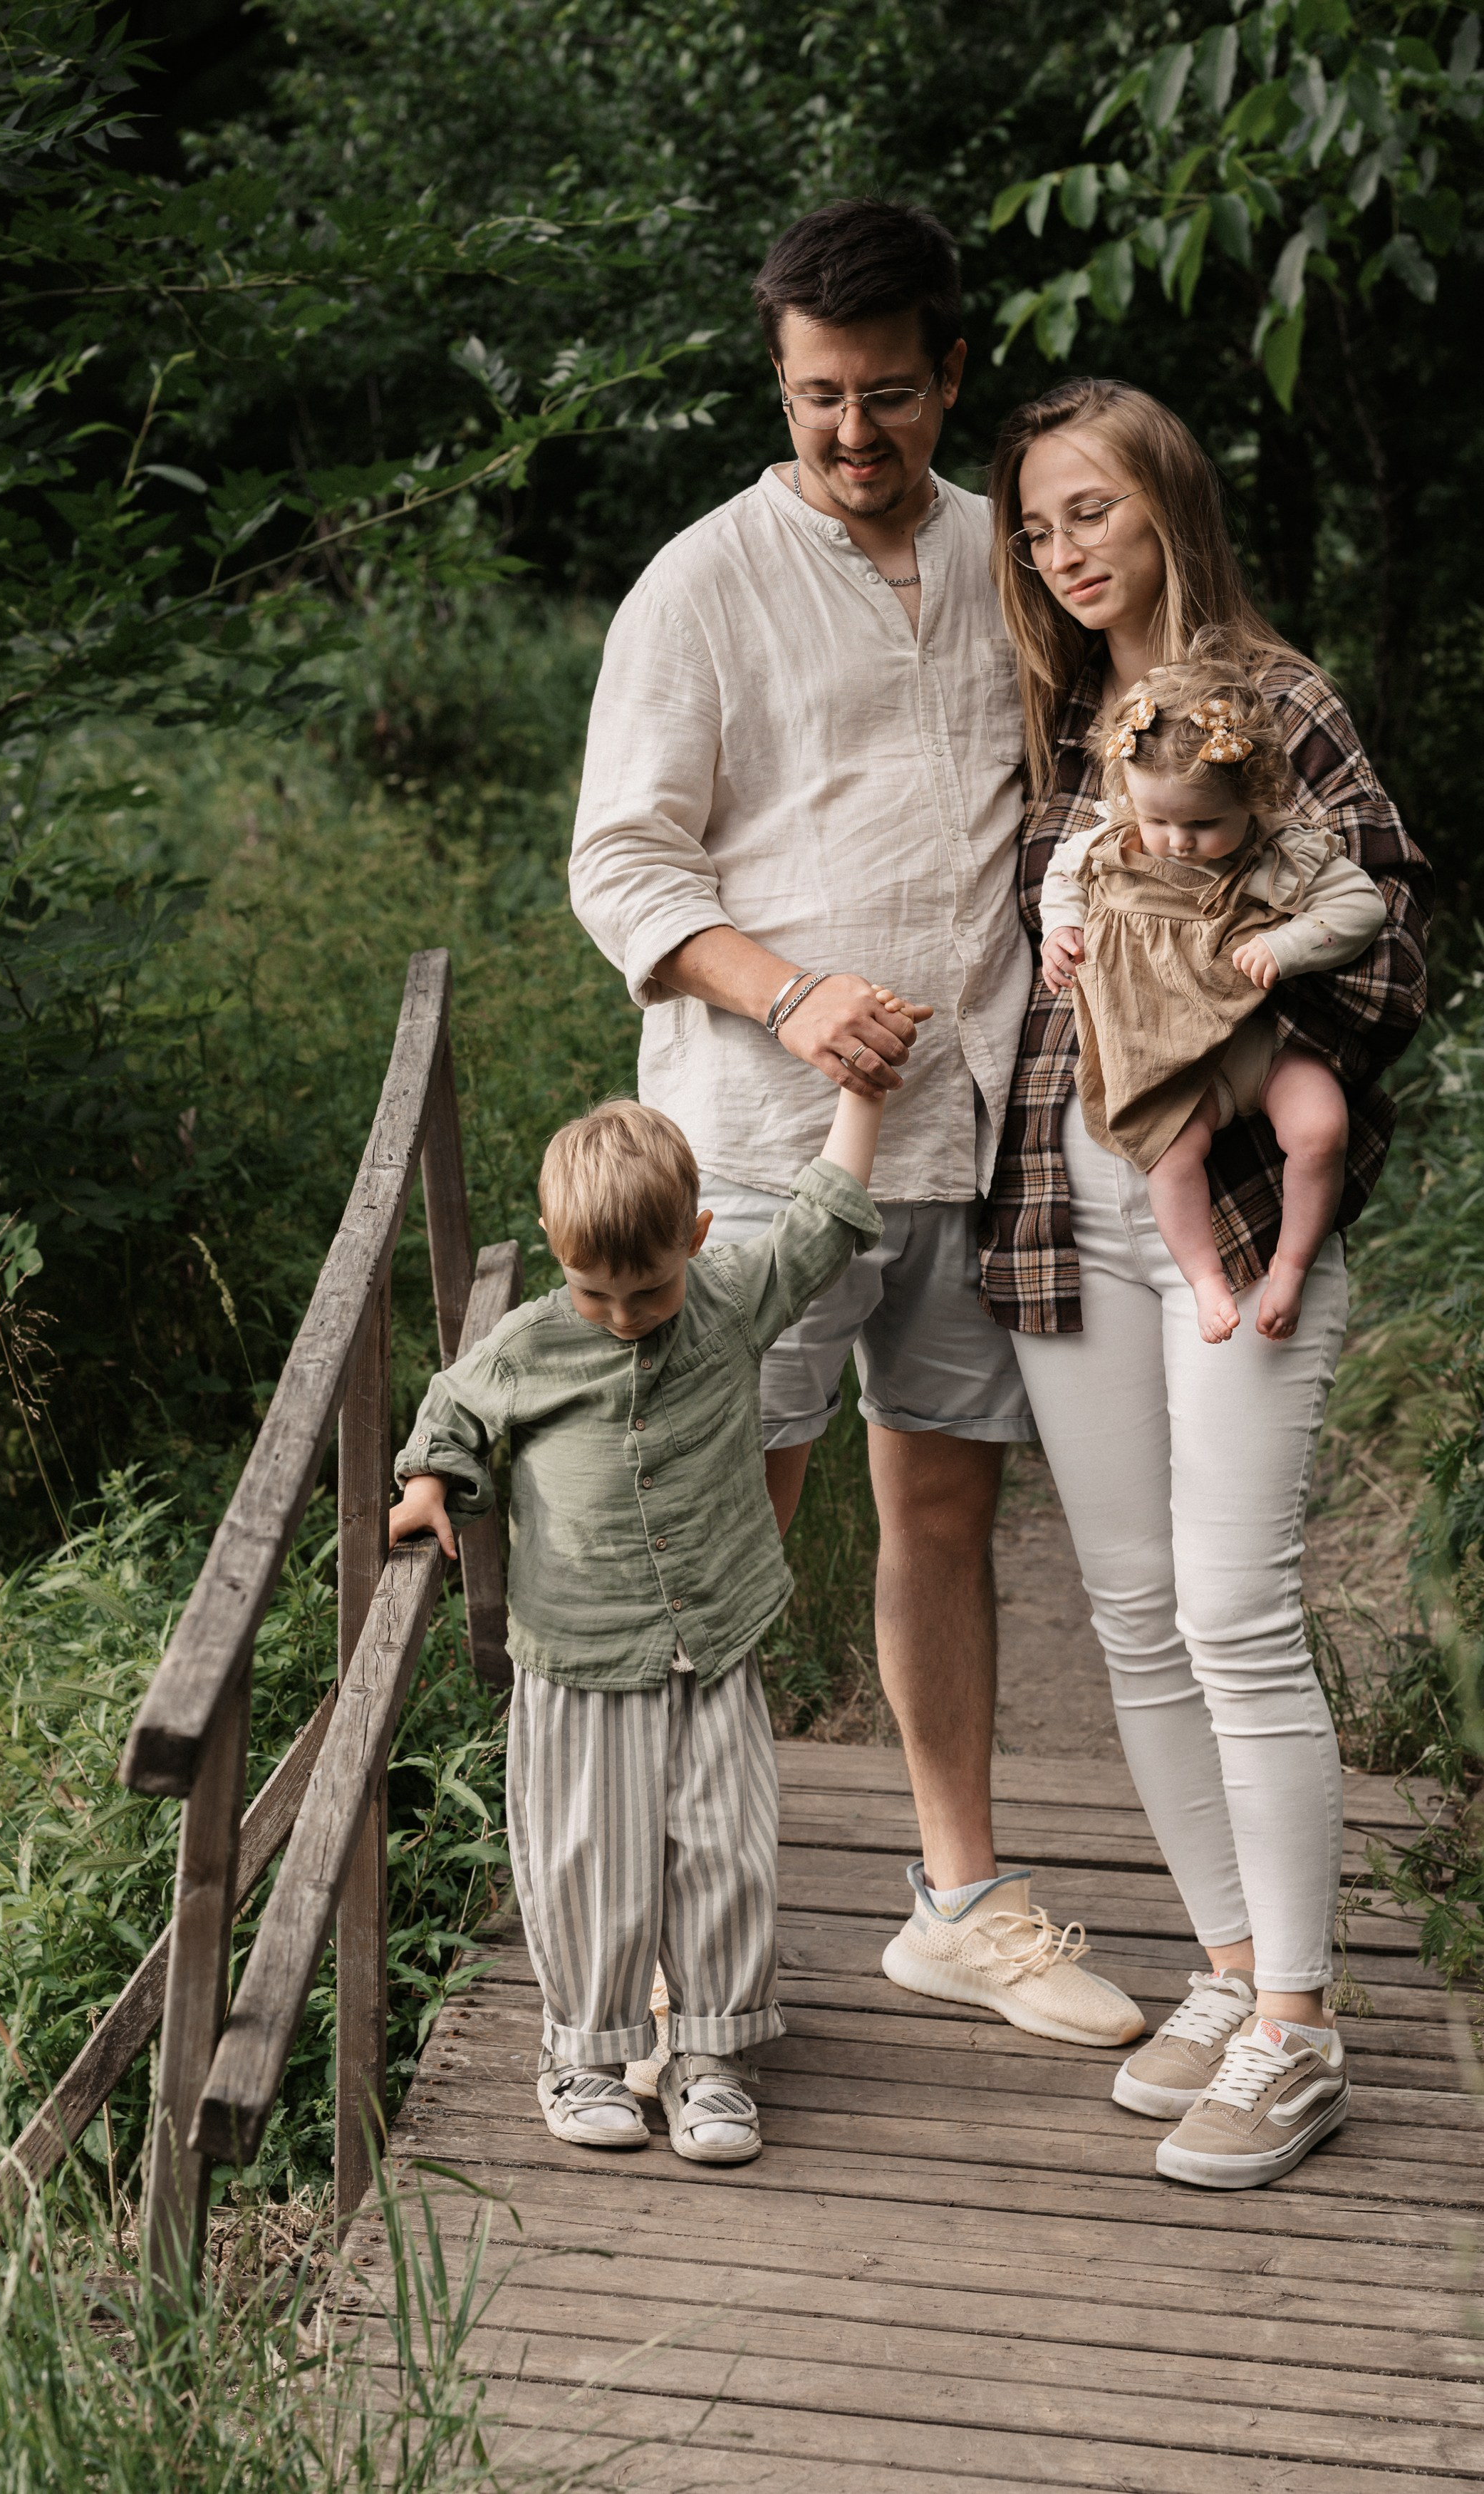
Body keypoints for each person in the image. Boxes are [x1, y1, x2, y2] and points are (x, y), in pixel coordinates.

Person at [571, 197, 1143, 2052]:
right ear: (779, 378)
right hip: (759, 1146)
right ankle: (671, 1939)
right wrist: (789, 992)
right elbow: (623, 863)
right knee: (728, 1532)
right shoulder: (702, 581)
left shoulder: (1013, 559)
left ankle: (957, 1902)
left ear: (950, 375)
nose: (850, 434)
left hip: (971, 1131)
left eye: (889, 395)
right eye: (818, 395)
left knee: (947, 1510)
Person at [982, 376, 1431, 2187]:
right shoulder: (1072, 718)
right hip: (1071, 1206)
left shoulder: (1274, 699)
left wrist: (1252, 979)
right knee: (1130, 1607)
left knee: (1235, 1607)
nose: (1056, 550)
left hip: (1235, 1213)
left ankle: (1301, 2031)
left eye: (1084, 510)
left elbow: (1392, 932)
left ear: (1165, 499)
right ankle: (1230, 1973)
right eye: (1030, 526)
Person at [388, 1085, 888, 2166]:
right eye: (593, 1293)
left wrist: (862, 1096)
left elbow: (825, 1218)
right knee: (589, 1858)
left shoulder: (730, 1297)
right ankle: (587, 2053)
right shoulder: (530, 1345)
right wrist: (432, 1484)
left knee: (724, 1847)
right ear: (563, 1263)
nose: (621, 1315)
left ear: (695, 1241)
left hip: (714, 1637)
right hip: (579, 1651)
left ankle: (712, 2056)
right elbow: (455, 1411)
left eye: (646, 1291)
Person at [1040, 655, 1387, 1345]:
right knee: (1172, 1156)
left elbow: (1361, 906)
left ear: (1254, 800)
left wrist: (1287, 945)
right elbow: (1062, 872)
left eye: (1203, 823)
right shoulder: (1112, 845)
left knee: (1320, 1130)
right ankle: (1203, 1277)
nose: (1177, 840)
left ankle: (1288, 1267)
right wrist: (1061, 928)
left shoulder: (1276, 855)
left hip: (1259, 1049)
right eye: (1157, 819)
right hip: (1173, 1062)